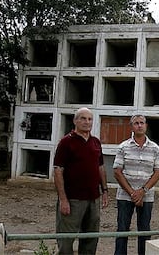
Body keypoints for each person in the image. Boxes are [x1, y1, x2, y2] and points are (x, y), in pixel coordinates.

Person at [53, 107, 109, 255]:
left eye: (90, 119)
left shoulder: (96, 142)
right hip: (73, 199)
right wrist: (63, 199)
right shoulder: (66, 142)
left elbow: (100, 167)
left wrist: (105, 191)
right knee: (66, 240)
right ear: (75, 121)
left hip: (93, 198)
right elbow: (58, 170)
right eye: (83, 118)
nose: (87, 122)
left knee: (90, 238)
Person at [113, 114, 159, 255]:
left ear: (146, 125)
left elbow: (157, 172)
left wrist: (142, 191)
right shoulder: (123, 147)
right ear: (131, 126)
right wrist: (132, 193)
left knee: (144, 229)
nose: (139, 125)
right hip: (125, 196)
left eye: (142, 123)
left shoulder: (154, 148)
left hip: (146, 196)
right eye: (136, 123)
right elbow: (117, 171)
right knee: (122, 229)